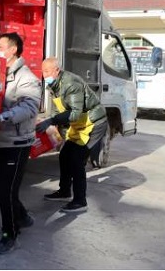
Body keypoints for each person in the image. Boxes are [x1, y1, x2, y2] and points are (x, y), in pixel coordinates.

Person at [0, 32, 42, 254]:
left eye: (1, 47)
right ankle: (22, 216)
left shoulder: (26, 78)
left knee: (6, 191)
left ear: (13, 50)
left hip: (17, 143)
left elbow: (29, 108)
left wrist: (2, 118)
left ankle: (10, 234)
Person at [36, 57, 108, 214]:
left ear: (57, 70)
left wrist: (51, 121)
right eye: (43, 71)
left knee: (76, 159)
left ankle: (80, 201)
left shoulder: (70, 83)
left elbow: (74, 114)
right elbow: (59, 110)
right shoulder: (54, 85)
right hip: (80, 124)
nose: (44, 75)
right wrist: (53, 125)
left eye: (47, 71)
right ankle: (64, 191)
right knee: (65, 155)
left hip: (94, 123)